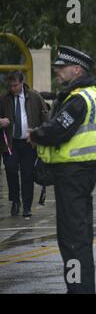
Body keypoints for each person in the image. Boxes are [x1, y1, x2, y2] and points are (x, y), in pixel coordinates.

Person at [29, 46, 96, 293]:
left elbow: (59, 131)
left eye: (61, 68)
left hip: (73, 175)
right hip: (81, 174)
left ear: (76, 69)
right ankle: (83, 288)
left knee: (72, 239)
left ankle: (78, 290)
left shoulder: (79, 99)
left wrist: (36, 135)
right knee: (79, 236)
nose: (57, 72)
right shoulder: (91, 94)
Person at [0, 71, 48, 218]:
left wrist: (38, 134)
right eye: (10, 85)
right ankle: (15, 200)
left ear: (22, 83)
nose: (13, 88)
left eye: (15, 85)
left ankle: (27, 206)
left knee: (27, 174)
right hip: (10, 142)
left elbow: (45, 117)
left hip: (29, 142)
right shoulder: (4, 99)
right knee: (11, 170)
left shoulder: (34, 97)